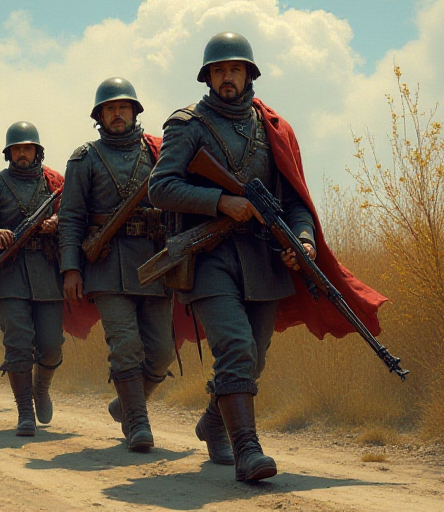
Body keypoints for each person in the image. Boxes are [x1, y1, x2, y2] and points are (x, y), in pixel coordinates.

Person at [149, 32, 319, 481]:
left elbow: (297, 201)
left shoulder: (271, 128)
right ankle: (248, 450)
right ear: (208, 77)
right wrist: (220, 202)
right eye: (219, 70)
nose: (228, 77)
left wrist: (303, 241)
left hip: (262, 260)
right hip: (208, 256)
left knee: (254, 356)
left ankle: (212, 421)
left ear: (248, 75)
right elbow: (160, 187)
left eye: (235, 69)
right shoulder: (188, 124)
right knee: (236, 347)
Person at [59, 77, 173, 452]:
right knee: (125, 345)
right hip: (106, 267)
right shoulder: (84, 159)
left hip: (155, 263)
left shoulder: (158, 153)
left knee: (160, 352)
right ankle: (138, 424)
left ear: (135, 111)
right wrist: (71, 268)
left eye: (124, 107)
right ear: (100, 116)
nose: (118, 114)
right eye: (110, 109)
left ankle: (125, 404)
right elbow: (72, 217)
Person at [0, 121, 64, 437]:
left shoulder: (53, 183)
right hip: (7, 273)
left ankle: (40, 389)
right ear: (9, 153)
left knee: (50, 346)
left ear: (37, 151)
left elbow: (75, 215)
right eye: (16, 149)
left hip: (46, 270)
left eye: (27, 148)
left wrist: (56, 222)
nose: (22, 153)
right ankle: (25, 413)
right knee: (18, 343)